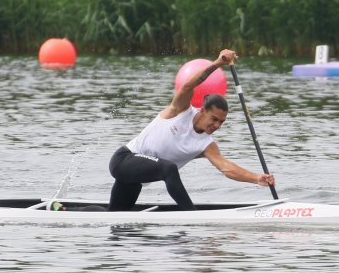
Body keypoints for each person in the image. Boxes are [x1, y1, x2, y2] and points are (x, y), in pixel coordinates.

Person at [107, 49, 276, 211]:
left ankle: (83, 213)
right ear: (202, 110)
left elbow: (226, 167)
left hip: (136, 178)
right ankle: (191, 214)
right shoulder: (180, 110)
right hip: (124, 159)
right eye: (214, 119)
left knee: (115, 215)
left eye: (221, 122)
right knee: (169, 168)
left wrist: (256, 178)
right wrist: (218, 63)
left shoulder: (206, 145)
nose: (217, 125)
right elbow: (188, 86)